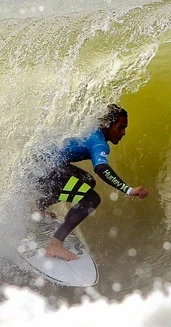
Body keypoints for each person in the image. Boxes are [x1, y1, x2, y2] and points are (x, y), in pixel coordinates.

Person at [34, 104, 148, 261]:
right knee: (92, 199)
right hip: (42, 172)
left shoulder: (91, 127)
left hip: (34, 165)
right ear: (108, 125)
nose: (123, 133)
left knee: (87, 181)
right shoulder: (99, 143)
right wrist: (128, 190)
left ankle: (39, 206)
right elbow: (101, 168)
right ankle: (54, 245)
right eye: (120, 127)